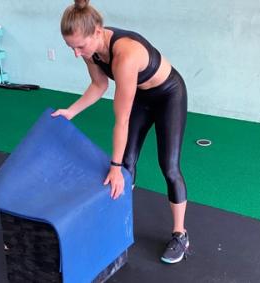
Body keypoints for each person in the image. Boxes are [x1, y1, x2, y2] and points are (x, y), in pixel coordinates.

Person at [51, 0, 189, 264]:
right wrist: (71, 111)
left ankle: (180, 234)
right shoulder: (91, 50)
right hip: (142, 96)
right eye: (71, 48)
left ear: (98, 31)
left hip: (168, 95)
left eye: (80, 46)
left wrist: (114, 166)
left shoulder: (125, 55)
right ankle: (116, 223)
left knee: (169, 167)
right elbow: (98, 85)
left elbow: (122, 119)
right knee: (128, 163)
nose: (77, 54)